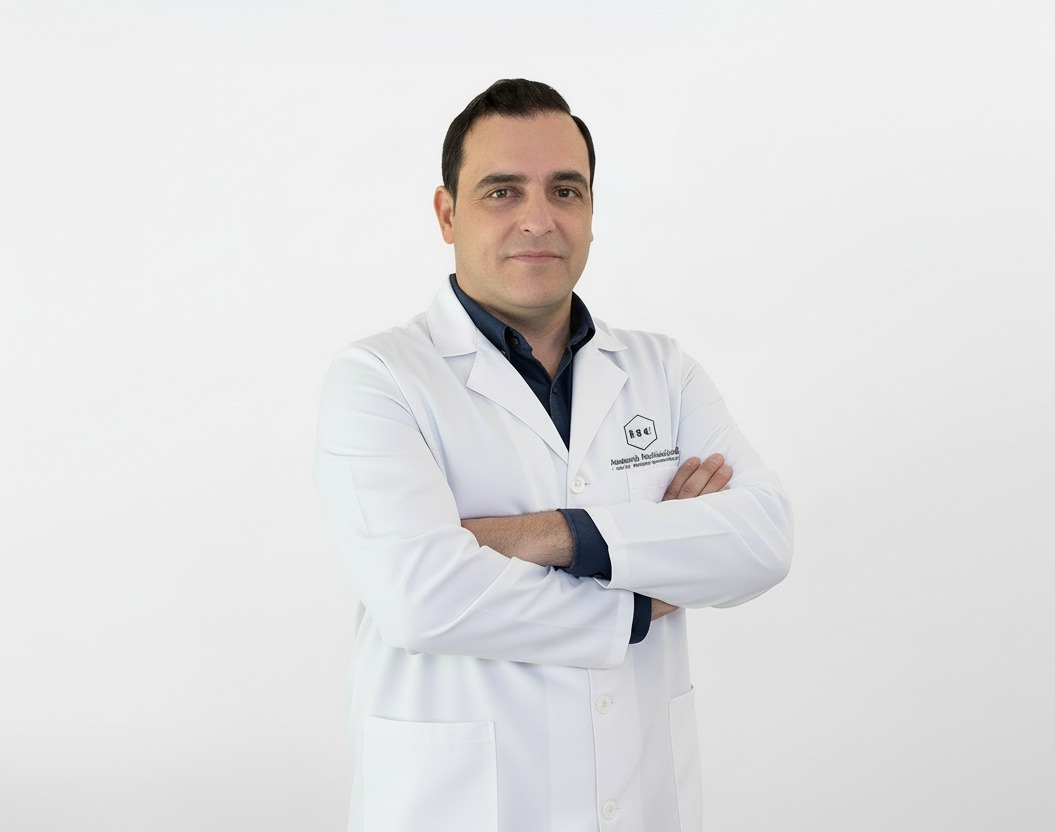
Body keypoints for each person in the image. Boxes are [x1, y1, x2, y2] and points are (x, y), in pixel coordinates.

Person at [314, 78, 793, 832]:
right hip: (463, 809)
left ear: (592, 212)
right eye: (502, 191)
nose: (538, 218)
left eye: (565, 191)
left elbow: (763, 538)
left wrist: (545, 536)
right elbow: (422, 599)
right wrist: (647, 587)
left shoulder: (661, 370)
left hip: (639, 801)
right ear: (447, 213)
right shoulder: (379, 379)